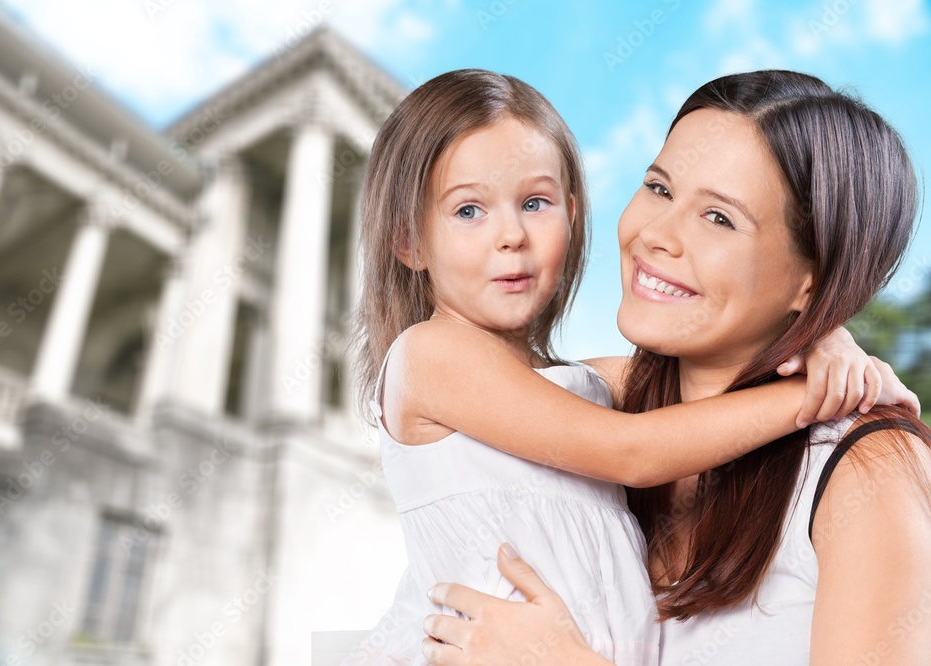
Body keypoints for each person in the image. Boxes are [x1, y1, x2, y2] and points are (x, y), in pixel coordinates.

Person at [347, 69, 915, 666]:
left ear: (815, 278)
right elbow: (632, 448)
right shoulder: (561, 406)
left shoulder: (864, 472)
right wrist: (819, 382)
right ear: (408, 241)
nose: (657, 234)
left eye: (719, 218)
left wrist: (831, 341)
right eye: (660, 188)